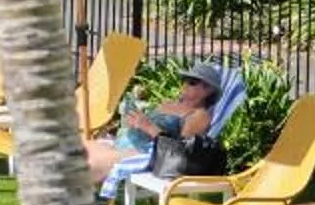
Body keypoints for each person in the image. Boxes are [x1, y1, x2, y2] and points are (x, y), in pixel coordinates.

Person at [87, 59, 225, 183]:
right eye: (185, 80)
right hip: (122, 143)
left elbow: (179, 151)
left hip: (143, 153)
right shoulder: (171, 103)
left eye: (192, 82)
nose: (185, 85)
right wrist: (134, 121)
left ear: (208, 90)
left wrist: (147, 126)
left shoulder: (199, 115)